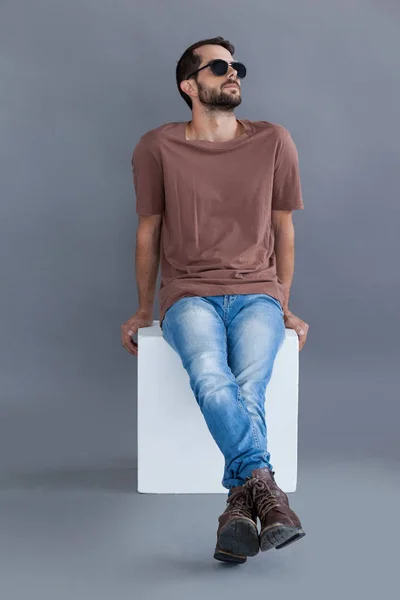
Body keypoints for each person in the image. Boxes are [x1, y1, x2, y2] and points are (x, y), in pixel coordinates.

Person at [121, 36, 309, 564]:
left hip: (258, 293)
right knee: (208, 371)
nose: (234, 75)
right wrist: (143, 309)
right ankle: (264, 492)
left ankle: (238, 510)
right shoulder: (157, 147)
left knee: (250, 385)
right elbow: (147, 233)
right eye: (220, 67)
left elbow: (284, 229)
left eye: (237, 67)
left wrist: (284, 302)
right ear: (189, 85)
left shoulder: (274, 141)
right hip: (189, 295)